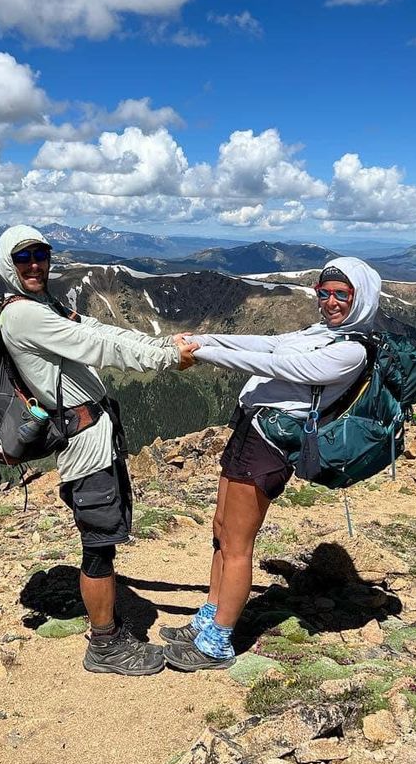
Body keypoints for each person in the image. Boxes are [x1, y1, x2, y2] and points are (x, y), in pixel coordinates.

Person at [159, 257, 382, 671]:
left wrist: (204, 352)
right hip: (250, 432)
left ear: (361, 298)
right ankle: (209, 617)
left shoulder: (350, 351)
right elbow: (270, 344)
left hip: (269, 447)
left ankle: (219, 641)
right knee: (221, 531)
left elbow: (277, 365)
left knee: (239, 545)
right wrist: (206, 336)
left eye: (342, 295)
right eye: (324, 292)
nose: (330, 301)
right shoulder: (322, 333)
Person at [0, 224, 198, 676]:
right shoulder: (24, 316)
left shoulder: (43, 306)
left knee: (103, 536)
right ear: (8, 264)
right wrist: (167, 358)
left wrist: (164, 344)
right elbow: (97, 345)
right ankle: (104, 646)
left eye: (40, 254)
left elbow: (100, 329)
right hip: (83, 448)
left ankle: (108, 632)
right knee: (98, 544)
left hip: (96, 439)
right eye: (23, 257)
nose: (34, 264)